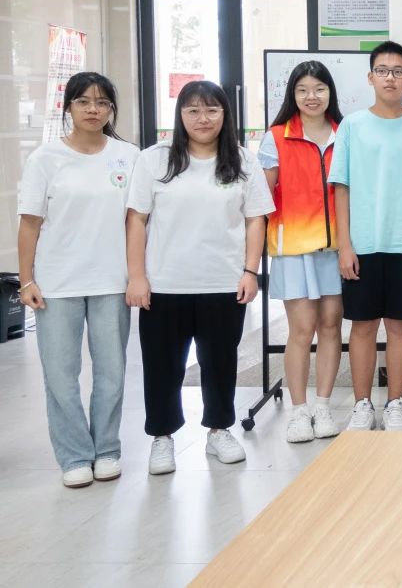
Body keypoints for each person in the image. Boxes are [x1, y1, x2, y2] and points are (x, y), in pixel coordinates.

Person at [126, 81, 275, 474]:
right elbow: (136, 220)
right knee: (162, 366)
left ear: (225, 114)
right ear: (180, 115)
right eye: (193, 110)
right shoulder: (155, 160)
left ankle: (219, 430)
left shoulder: (243, 161)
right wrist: (137, 276)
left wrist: (250, 271)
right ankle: (162, 437)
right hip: (165, 284)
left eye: (211, 109)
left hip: (223, 283)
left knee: (220, 362)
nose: (202, 118)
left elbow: (255, 220)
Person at [17, 72, 139, 488]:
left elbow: (137, 221)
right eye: (83, 101)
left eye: (102, 102)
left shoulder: (128, 156)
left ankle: (106, 450)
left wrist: (137, 275)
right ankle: (73, 456)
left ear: (111, 110)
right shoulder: (45, 158)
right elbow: (29, 224)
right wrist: (26, 281)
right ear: (68, 106)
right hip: (57, 284)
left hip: (112, 281)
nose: (93, 109)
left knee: (112, 372)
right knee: (60, 376)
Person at [330, 41, 402, 432]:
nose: (390, 78)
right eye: (382, 70)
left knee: (400, 327)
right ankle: (362, 405)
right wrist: (345, 245)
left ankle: (395, 403)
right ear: (370, 77)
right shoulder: (351, 126)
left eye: (398, 72)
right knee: (363, 326)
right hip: (362, 245)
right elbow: (341, 187)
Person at [259, 61, 344, 444]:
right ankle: (298, 410)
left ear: (330, 92)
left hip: (337, 247)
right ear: (292, 94)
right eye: (303, 90)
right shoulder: (276, 137)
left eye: (319, 88)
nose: (312, 97)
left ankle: (322, 406)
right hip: (293, 246)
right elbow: (261, 198)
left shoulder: (345, 133)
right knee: (301, 329)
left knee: (331, 326)